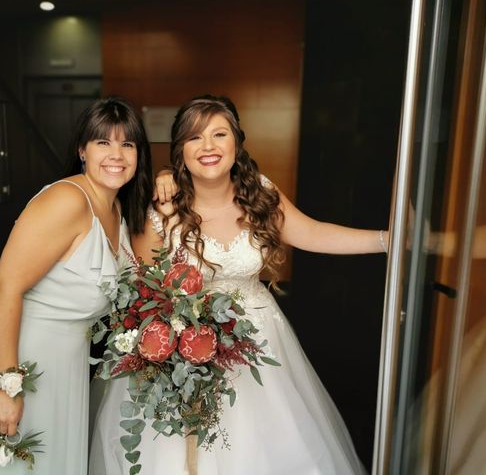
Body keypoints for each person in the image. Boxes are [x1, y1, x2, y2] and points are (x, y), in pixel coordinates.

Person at [89, 95, 386, 475]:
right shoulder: (160, 207)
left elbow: (313, 233)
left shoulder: (260, 193)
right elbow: (145, 294)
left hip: (259, 340)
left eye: (219, 134)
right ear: (180, 151)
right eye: (195, 138)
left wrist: (386, 240)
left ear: (237, 143)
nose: (208, 147)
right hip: (184, 346)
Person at [0, 97, 152, 475]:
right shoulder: (67, 200)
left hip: (67, 366)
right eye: (103, 143)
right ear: (81, 150)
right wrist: (6, 385)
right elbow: (3, 288)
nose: (117, 155)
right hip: (19, 360)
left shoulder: (117, 208)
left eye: (127, 144)